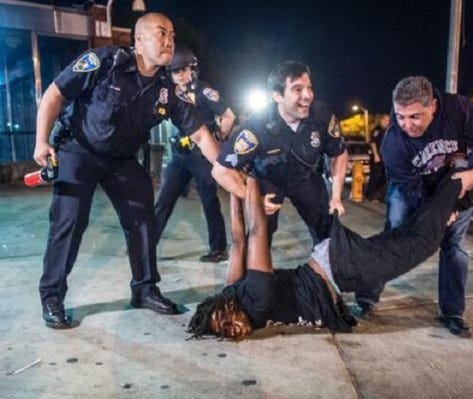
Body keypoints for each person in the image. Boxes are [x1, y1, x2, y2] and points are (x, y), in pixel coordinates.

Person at [186, 160, 473, 340]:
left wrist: (248, 182)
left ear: (226, 306)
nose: (230, 330)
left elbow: (256, 230)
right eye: (221, 333)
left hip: (340, 268)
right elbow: (237, 240)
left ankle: (461, 178)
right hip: (334, 263)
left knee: (421, 243)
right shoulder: (234, 295)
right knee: (407, 236)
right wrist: (231, 185)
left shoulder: (255, 300)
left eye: (223, 323)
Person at [33, 13, 219, 329]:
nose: (169, 41)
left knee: (143, 218)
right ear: (139, 39)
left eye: (172, 35)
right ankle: (52, 297)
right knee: (70, 220)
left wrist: (225, 167)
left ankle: (144, 289)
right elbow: (54, 93)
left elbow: (200, 133)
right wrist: (41, 141)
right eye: (162, 33)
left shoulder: (166, 88)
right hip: (78, 150)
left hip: (121, 161)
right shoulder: (103, 62)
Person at [379, 76, 473, 338]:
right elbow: (410, 189)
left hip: (456, 183)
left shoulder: (459, 108)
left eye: (415, 117)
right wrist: (436, 213)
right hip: (413, 188)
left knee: (453, 245)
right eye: (401, 117)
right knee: (395, 233)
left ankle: (452, 311)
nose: (407, 125)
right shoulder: (393, 143)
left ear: (432, 105)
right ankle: (367, 297)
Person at [212, 60, 348, 245]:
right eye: (297, 89)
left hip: (305, 178)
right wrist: (251, 197)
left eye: (309, 87)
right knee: (259, 235)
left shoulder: (322, 115)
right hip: (268, 180)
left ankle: (331, 268)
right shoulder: (256, 127)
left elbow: (338, 154)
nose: (307, 95)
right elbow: (220, 170)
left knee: (326, 229)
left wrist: (336, 196)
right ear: (277, 95)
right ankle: (253, 272)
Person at [154, 49, 235, 263]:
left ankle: (218, 249)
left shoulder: (204, 90)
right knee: (164, 199)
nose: (180, 74)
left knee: (209, 200)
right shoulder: (168, 92)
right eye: (175, 71)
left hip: (201, 156)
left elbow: (228, 115)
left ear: (193, 70)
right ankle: (147, 245)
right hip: (179, 156)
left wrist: (219, 135)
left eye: (184, 69)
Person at [365, 114, 391, 202]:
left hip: (386, 157)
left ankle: (380, 195)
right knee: (374, 176)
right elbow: (373, 143)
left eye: (388, 120)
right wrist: (376, 155)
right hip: (377, 157)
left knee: (385, 177)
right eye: (385, 120)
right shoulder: (377, 130)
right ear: (381, 120)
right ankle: (370, 195)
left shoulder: (389, 130)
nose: (387, 122)